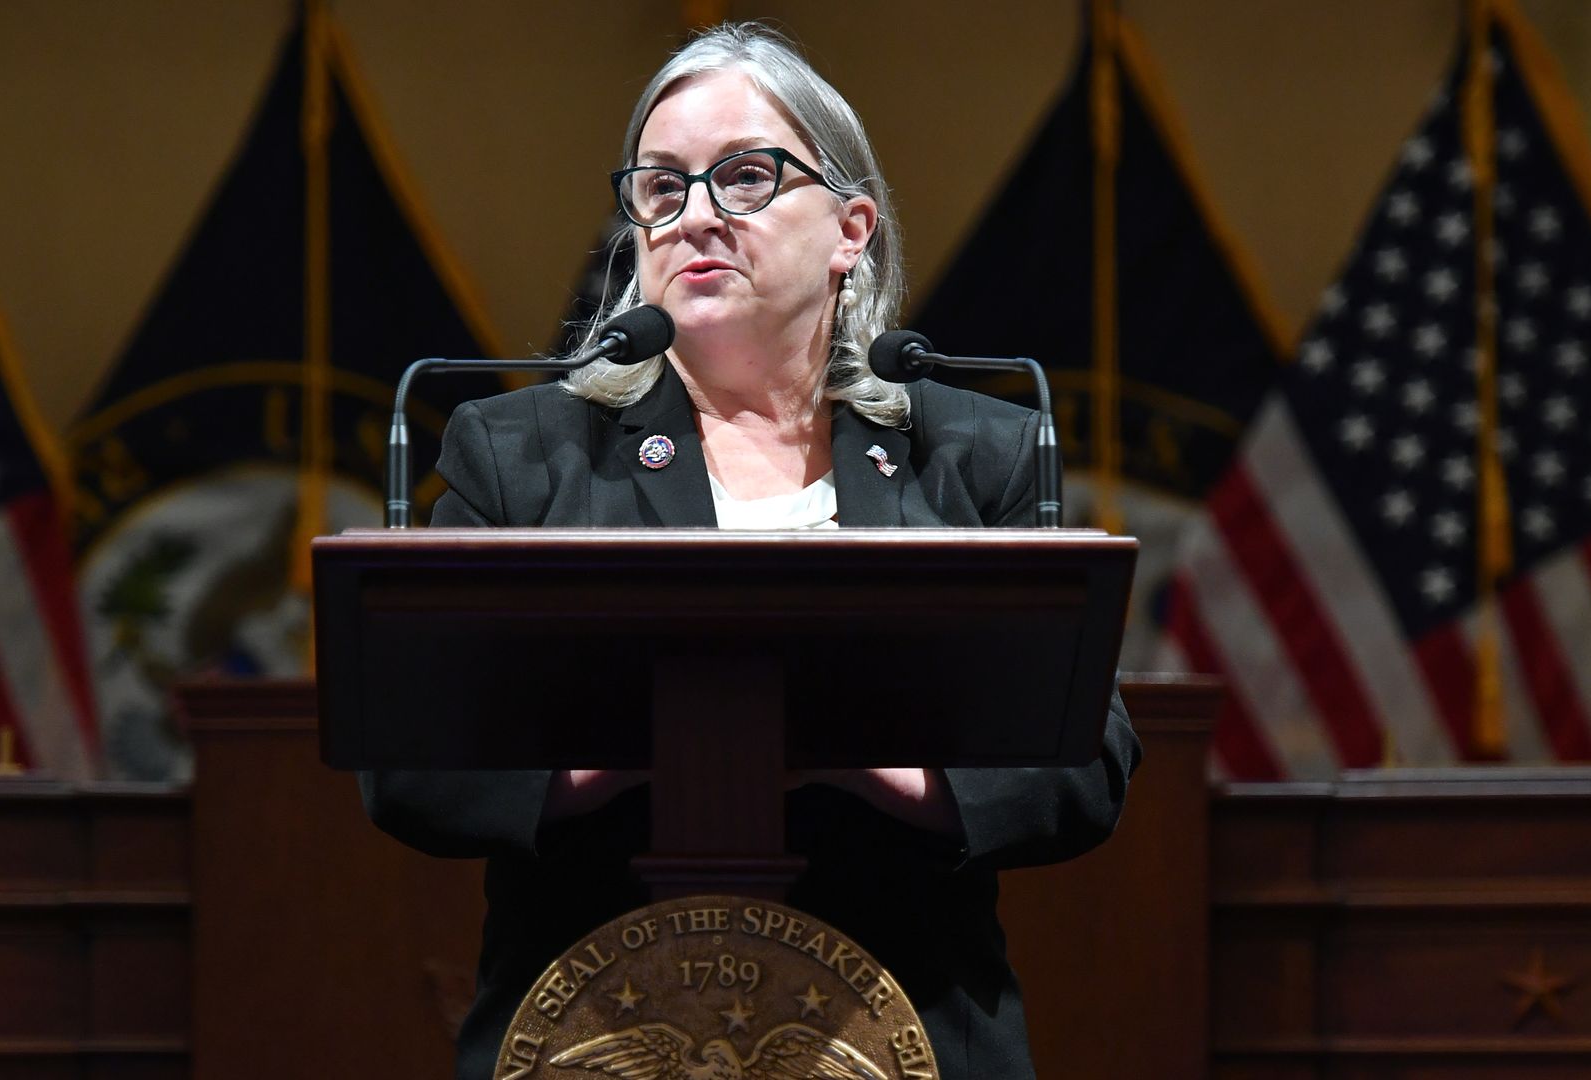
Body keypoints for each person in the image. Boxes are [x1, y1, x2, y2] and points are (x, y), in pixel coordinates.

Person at [359, 22, 1139, 1080]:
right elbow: (409, 761)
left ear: (850, 228)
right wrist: (659, 740)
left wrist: (889, 766)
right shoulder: (525, 456)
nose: (696, 218)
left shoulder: (970, 454)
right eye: (663, 187)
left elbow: (1086, 761)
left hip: (905, 1029)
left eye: (745, 177)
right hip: (600, 1032)